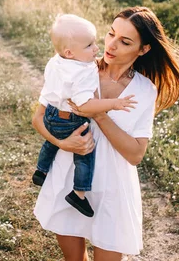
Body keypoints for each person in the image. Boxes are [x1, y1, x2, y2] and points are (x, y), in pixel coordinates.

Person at [33, 7, 179, 261]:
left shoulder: (144, 90)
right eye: (111, 34)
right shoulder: (75, 68)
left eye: (125, 41)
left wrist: (99, 113)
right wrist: (61, 142)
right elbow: (38, 117)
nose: (111, 45)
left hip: (113, 189)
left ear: (143, 49)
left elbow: (136, 154)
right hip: (70, 179)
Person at [32, 14, 137, 218]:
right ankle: (79, 193)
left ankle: (41, 170)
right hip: (71, 120)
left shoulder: (56, 62)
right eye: (89, 46)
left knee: (51, 142)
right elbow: (84, 105)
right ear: (70, 52)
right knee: (85, 155)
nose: (96, 49)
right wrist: (114, 104)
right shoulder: (84, 72)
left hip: (52, 115)